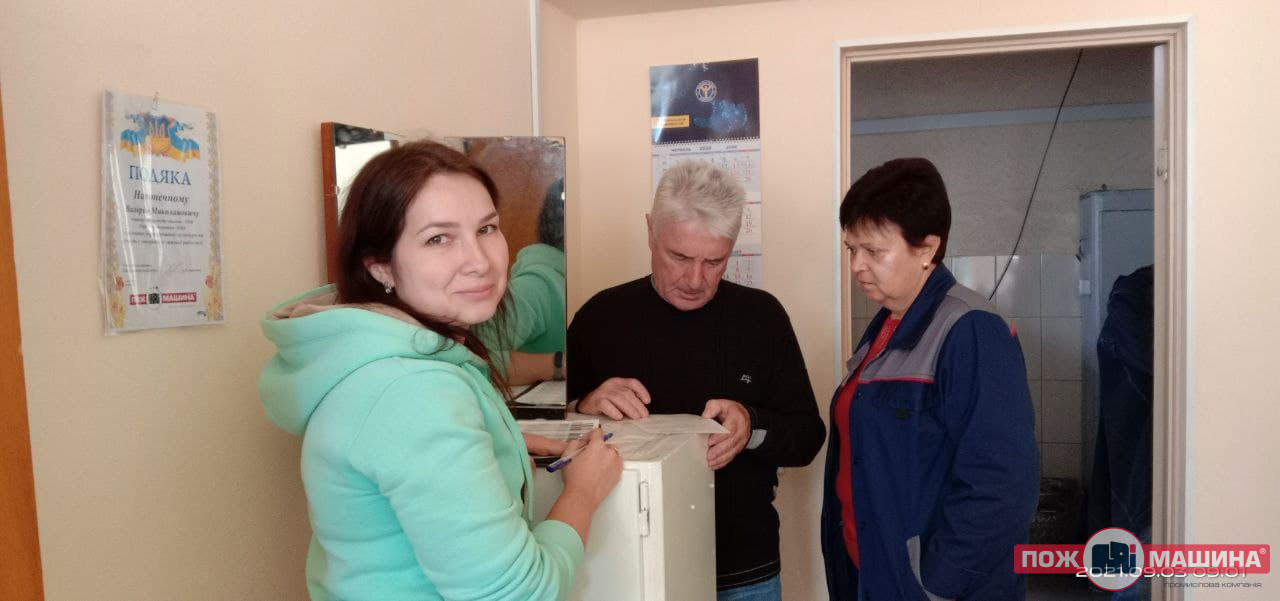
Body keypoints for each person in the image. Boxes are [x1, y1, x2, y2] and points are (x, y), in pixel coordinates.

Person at [259, 140, 622, 601]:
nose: (480, 261)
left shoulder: (378, 361)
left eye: (486, 228)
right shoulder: (412, 393)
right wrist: (583, 492)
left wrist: (496, 438)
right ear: (381, 267)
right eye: (439, 238)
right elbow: (516, 593)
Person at [567, 160, 826, 600]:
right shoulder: (600, 317)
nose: (695, 279)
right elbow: (540, 438)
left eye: (714, 261)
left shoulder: (762, 317)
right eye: (680, 257)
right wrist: (582, 406)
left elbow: (808, 437)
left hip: (743, 571)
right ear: (650, 231)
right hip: (630, 565)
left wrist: (751, 425)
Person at [822, 157, 1039, 601]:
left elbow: (1001, 486)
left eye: (874, 251)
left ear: (927, 249)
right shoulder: (886, 325)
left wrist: (938, 583)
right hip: (873, 576)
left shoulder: (971, 330)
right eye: (851, 249)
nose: (857, 266)